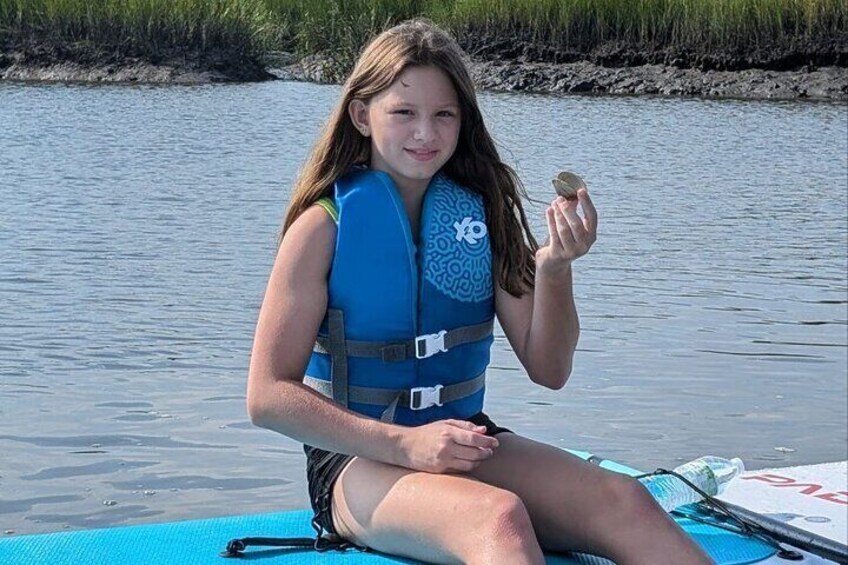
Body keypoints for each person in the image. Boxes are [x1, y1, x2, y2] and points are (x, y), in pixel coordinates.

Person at [247, 19, 713, 565]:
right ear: (361, 115)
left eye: (443, 114)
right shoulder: (321, 228)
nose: (425, 133)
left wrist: (557, 270)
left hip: (467, 442)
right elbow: (267, 397)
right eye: (404, 113)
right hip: (355, 464)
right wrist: (405, 445)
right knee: (499, 519)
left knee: (627, 500)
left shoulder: (482, 218)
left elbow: (550, 368)